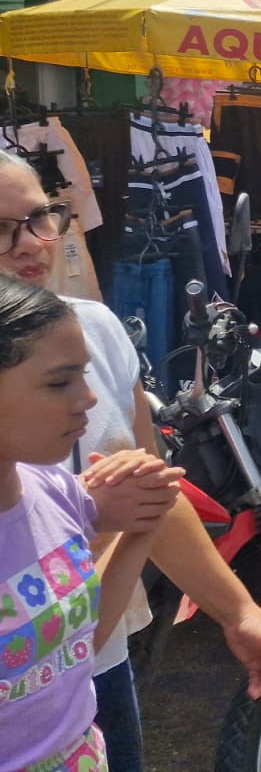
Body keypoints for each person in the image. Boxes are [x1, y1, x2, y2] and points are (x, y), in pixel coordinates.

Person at [0, 150, 261, 769]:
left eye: (40, 218)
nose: (28, 243)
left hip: (93, 657)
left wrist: (236, 610)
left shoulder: (95, 332)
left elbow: (151, 489)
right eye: (0, 228)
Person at [0, 277, 181, 771]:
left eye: (83, 375)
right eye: (60, 382)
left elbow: (75, 648)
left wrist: (143, 526)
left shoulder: (56, 491)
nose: (89, 398)